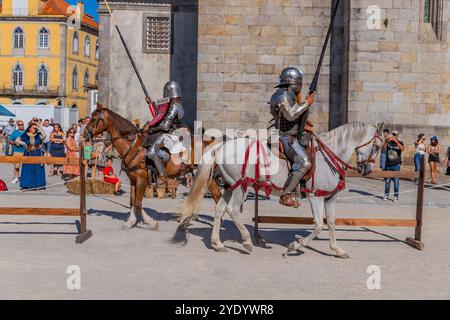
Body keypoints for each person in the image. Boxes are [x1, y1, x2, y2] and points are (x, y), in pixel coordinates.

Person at [269, 67, 315, 207]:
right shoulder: (282, 95)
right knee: (305, 163)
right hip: (286, 137)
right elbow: (290, 115)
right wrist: (307, 103)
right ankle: (286, 194)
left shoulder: (286, 95)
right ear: (294, 83)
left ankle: (301, 187)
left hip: (292, 135)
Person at [144, 80, 185, 177]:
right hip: (166, 133)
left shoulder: (175, 106)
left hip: (170, 134)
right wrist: (151, 103)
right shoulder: (171, 105)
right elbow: (159, 114)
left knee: (151, 153)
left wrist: (151, 128)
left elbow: (165, 126)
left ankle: (162, 174)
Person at [16, 123, 46, 190]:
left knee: (37, 168)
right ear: (29, 128)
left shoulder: (38, 135)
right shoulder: (25, 135)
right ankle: (27, 184)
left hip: (37, 152)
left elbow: (44, 135)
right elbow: (17, 140)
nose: (34, 129)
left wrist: (38, 127)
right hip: (28, 153)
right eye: (33, 128)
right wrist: (25, 144)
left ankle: (38, 184)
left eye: (35, 128)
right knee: (28, 168)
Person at [383, 130, 405, 202]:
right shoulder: (388, 142)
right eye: (393, 134)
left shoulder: (400, 142)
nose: (394, 135)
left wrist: (396, 141)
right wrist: (386, 141)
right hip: (388, 165)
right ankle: (386, 195)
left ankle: (396, 196)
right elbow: (383, 149)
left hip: (396, 165)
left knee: (396, 182)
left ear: (398, 135)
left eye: (395, 134)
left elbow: (402, 149)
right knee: (387, 181)